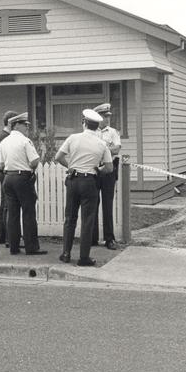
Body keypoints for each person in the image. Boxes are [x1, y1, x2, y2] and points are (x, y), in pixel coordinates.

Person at [55, 109, 113, 266]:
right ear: (97, 126)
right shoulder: (102, 144)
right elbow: (109, 168)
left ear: (84, 123)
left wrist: (70, 167)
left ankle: (66, 253)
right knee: (87, 220)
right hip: (89, 182)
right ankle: (84, 257)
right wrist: (98, 170)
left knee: (70, 219)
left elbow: (58, 157)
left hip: (73, 180)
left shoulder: (73, 138)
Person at [0, 112, 47, 256]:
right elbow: (34, 161)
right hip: (22, 178)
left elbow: (1, 164)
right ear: (16, 125)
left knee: (12, 213)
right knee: (28, 212)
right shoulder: (25, 141)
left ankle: (14, 247)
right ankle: (31, 247)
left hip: (8, 178)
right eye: (25, 125)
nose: (27, 127)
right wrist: (31, 167)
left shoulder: (4, 142)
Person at [92, 102, 121, 250]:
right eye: (104, 116)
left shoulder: (113, 132)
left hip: (109, 170)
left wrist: (102, 148)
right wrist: (106, 148)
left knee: (108, 204)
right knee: (93, 203)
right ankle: (93, 238)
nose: (107, 119)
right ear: (98, 117)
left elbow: (116, 149)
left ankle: (109, 238)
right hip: (96, 169)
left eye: (108, 116)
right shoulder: (91, 131)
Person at [0, 110, 18, 246]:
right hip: (5, 172)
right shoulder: (4, 137)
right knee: (7, 205)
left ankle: (2, 236)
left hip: (2, 172)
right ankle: (7, 236)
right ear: (10, 122)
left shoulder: (2, 136)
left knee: (5, 204)